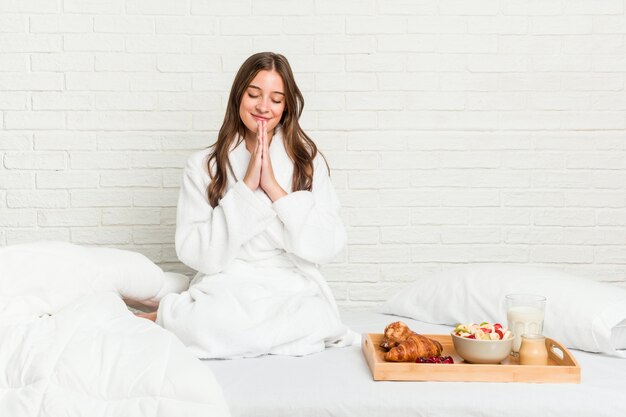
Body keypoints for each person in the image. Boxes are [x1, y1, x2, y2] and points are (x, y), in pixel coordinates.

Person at [138, 52, 355, 359]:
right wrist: (245, 189)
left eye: (276, 99)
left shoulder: (307, 162)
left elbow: (328, 243)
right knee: (211, 320)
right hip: (228, 283)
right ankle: (177, 316)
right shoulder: (203, 165)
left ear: (287, 106)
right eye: (254, 94)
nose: (264, 107)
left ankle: (167, 318)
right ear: (238, 95)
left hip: (290, 285)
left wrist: (274, 189)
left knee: (317, 318)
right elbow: (196, 253)